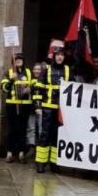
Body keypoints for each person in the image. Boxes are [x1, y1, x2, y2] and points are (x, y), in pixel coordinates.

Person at [35, 45, 70, 173]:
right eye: (58, 55)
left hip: (61, 110)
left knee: (57, 135)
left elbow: (74, 88)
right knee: (44, 134)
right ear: (54, 57)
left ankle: (54, 162)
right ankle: (41, 162)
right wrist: (38, 106)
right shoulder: (47, 70)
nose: (60, 57)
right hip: (47, 108)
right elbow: (38, 88)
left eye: (62, 55)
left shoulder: (67, 70)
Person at [1, 53, 33, 163]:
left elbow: (34, 84)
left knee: (22, 129)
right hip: (12, 105)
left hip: (25, 105)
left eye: (20, 59)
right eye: (16, 59)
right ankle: (9, 153)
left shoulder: (28, 72)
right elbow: (4, 88)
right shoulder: (8, 72)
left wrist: (29, 88)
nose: (18, 61)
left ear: (23, 61)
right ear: (13, 62)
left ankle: (21, 153)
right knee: (11, 129)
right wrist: (11, 80)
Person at [28, 62, 45, 159]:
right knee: (31, 128)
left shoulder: (44, 80)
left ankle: (40, 149)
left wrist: (39, 107)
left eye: (39, 69)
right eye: (35, 69)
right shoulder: (30, 80)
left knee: (41, 129)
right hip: (30, 108)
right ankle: (31, 148)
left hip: (41, 109)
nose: (37, 71)